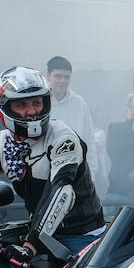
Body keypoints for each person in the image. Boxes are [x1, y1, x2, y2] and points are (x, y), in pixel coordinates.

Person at [0, 67, 104, 257]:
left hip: (81, 238)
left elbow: (60, 192)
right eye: (21, 105)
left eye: (37, 102)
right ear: (4, 107)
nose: (31, 111)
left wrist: (31, 245)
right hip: (38, 233)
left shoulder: (62, 137)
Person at [45, 56, 104, 189]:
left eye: (66, 77)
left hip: (77, 174)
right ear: (48, 76)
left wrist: (92, 174)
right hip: (46, 174)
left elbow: (89, 140)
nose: (62, 81)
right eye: (58, 76)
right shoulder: (40, 103)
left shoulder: (79, 103)